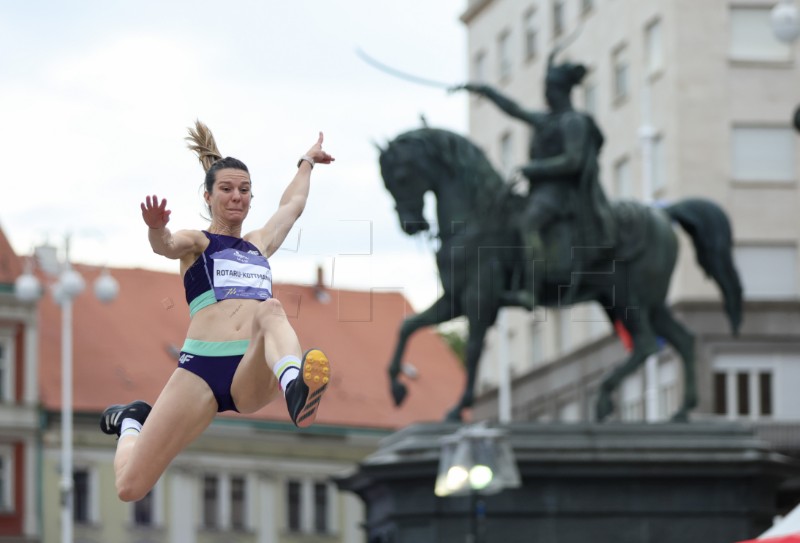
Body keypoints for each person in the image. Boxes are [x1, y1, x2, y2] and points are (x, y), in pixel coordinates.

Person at [99, 120, 335, 502]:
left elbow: (292, 205)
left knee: (271, 310)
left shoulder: (260, 244)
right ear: (208, 196)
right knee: (130, 486)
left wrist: (307, 161)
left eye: (244, 190)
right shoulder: (199, 241)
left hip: (251, 369)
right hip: (201, 369)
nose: (236, 197)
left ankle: (294, 384)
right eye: (226, 189)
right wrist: (155, 228)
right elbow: (167, 244)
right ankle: (130, 420)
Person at [453, 52, 615, 306]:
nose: (546, 93)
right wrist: (483, 90)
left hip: (562, 194)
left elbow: (573, 161)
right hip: (540, 192)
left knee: (528, 223)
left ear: (561, 90)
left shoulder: (574, 122)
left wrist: (534, 168)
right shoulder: (546, 119)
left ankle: (532, 288)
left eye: (549, 88)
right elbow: (514, 109)